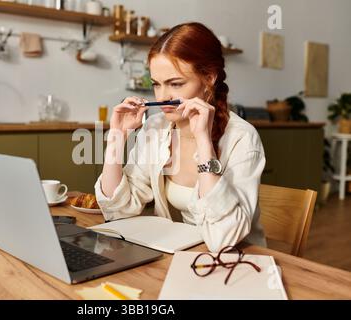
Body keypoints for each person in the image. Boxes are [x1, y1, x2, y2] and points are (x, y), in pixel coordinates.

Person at [94, 22, 266, 252]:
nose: (163, 96)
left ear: (209, 78)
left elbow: (223, 238)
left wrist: (204, 142)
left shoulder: (242, 138)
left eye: (175, 84)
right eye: (156, 84)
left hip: (233, 262)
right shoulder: (156, 127)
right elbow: (118, 211)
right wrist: (117, 137)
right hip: (174, 255)